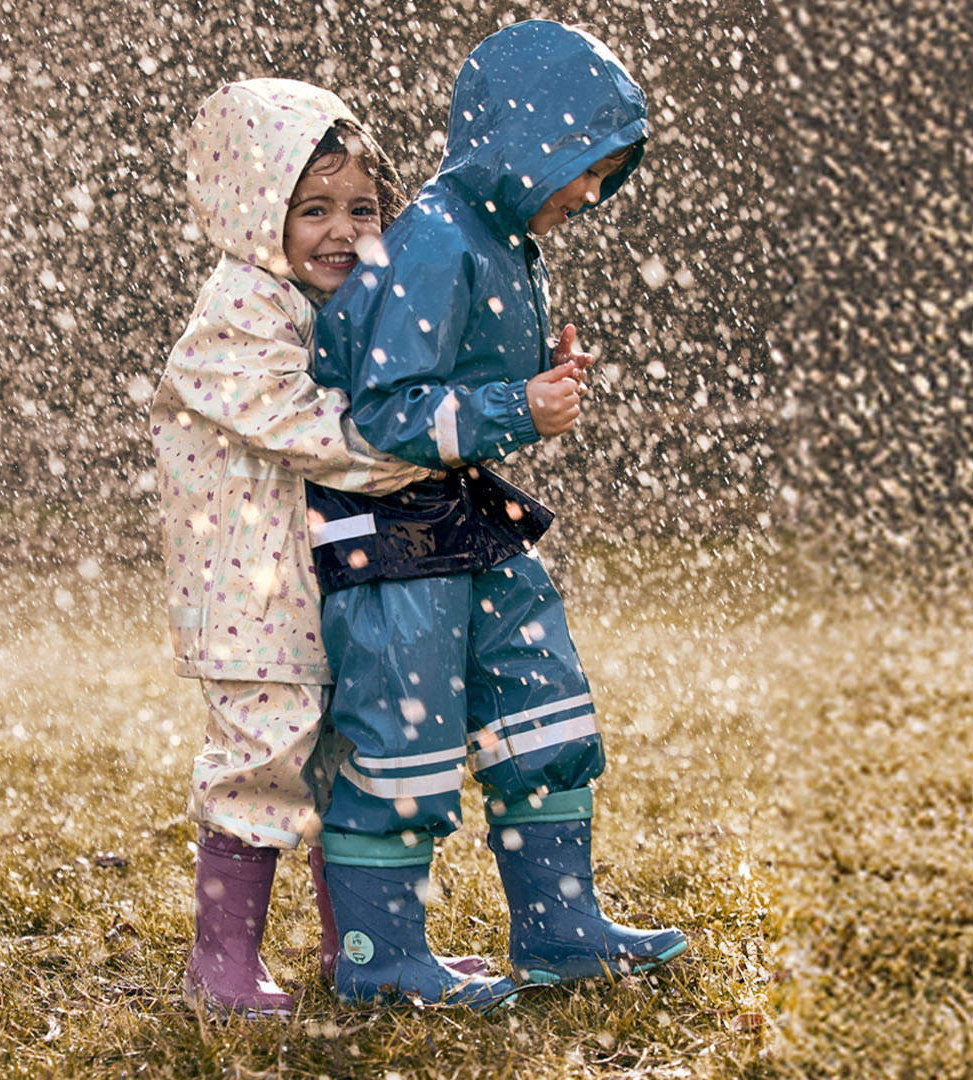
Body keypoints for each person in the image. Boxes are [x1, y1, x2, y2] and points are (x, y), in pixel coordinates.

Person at [304, 21, 689, 1010]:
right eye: (583, 169)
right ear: (525, 146)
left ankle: (559, 927)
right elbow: (385, 409)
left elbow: (457, 385)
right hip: (389, 534)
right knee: (403, 735)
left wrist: (530, 384)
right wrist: (516, 406)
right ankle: (380, 960)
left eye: (606, 173)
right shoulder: (433, 240)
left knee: (540, 701)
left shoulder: (496, 237)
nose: (590, 194)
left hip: (466, 518)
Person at [149, 79, 501, 1019]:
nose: (343, 230)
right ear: (254, 212)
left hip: (337, 578)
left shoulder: (340, 306)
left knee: (349, 757)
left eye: (362, 208)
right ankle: (222, 964)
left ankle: (369, 946)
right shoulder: (240, 310)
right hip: (252, 590)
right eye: (313, 210)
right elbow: (298, 425)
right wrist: (406, 447)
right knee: (264, 758)